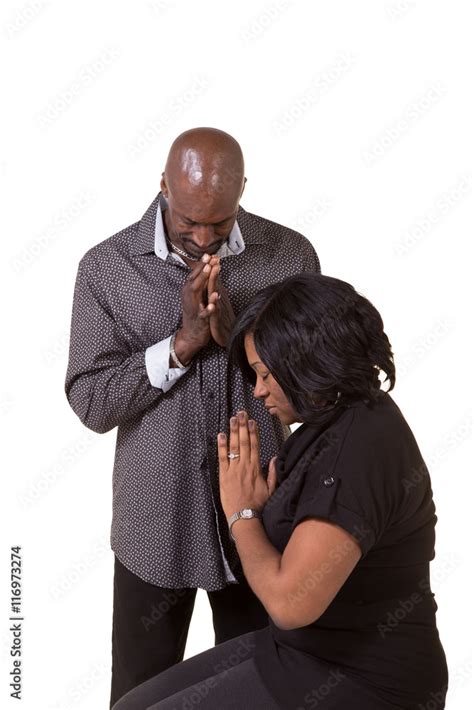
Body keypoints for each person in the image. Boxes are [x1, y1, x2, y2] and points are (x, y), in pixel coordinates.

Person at [64, 127, 321, 707]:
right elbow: (90, 402)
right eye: (189, 224)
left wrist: (238, 338)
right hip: (154, 522)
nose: (204, 241)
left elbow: (315, 394)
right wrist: (180, 345)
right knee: (141, 695)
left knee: (267, 688)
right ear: (162, 187)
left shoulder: (290, 256)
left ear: (242, 193)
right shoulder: (106, 269)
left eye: (220, 225)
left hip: (264, 512)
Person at [111, 272, 448, 710]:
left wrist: (241, 514)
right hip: (299, 650)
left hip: (366, 679)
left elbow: (291, 603)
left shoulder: (357, 448)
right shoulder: (336, 419)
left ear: (308, 362)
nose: (258, 391)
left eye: (266, 374)